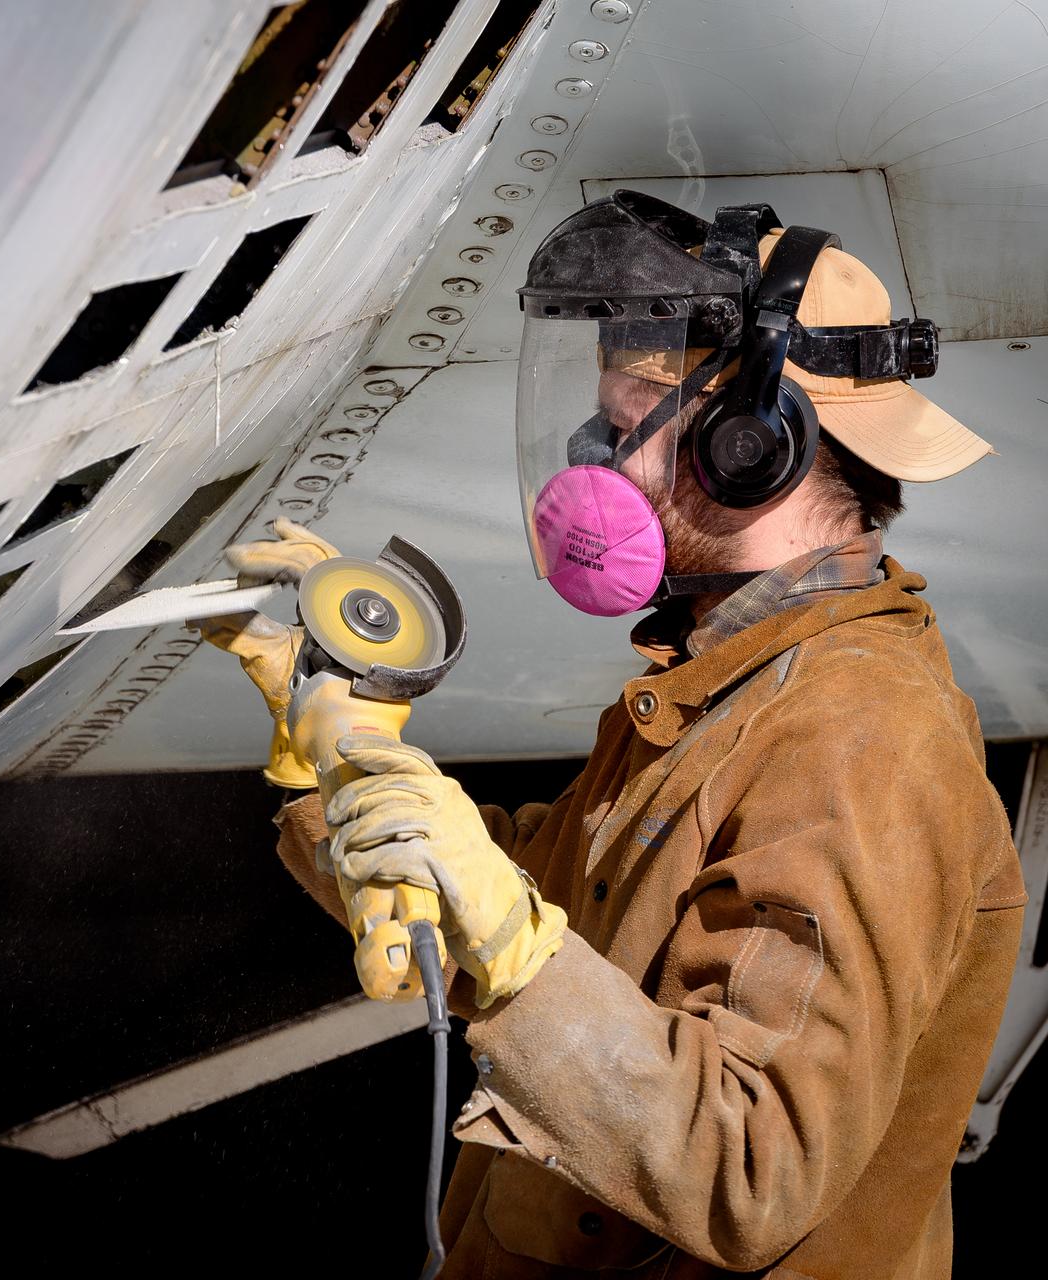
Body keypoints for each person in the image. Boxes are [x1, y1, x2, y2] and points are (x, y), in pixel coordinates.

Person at [205, 192, 1025, 1278]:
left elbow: (750, 1166)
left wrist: (514, 959)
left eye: (620, 423)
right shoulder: (725, 679)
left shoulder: (859, 742)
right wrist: (339, 742)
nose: (587, 460)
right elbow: (548, 901)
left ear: (752, 446)